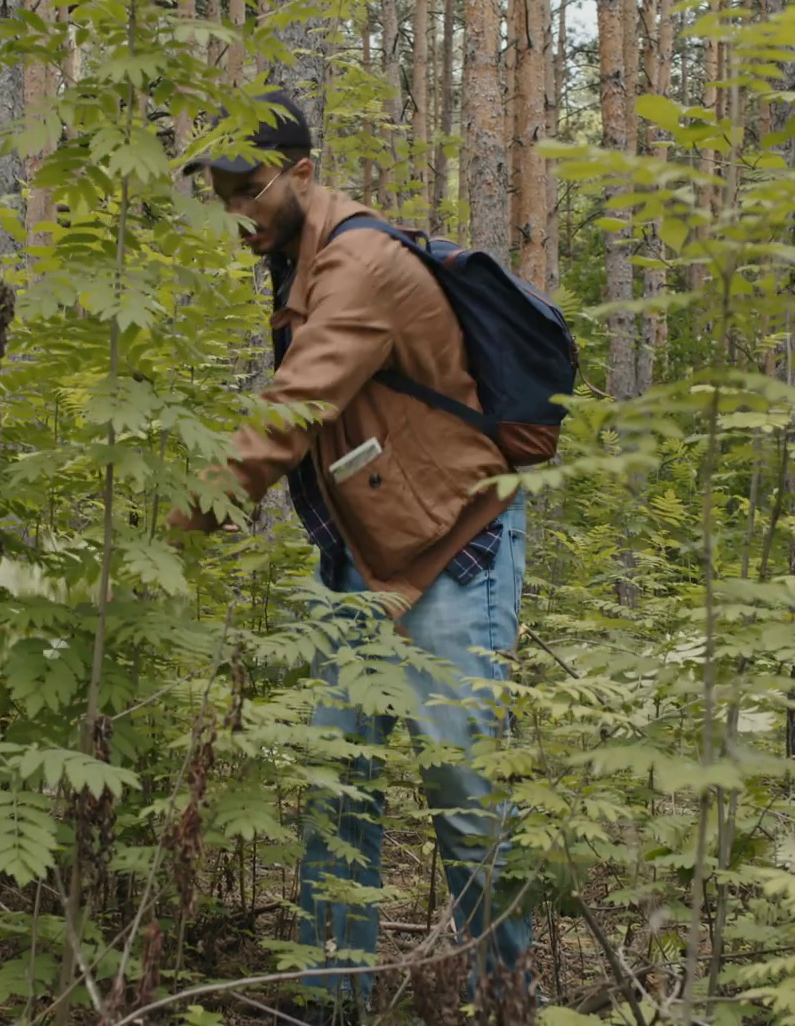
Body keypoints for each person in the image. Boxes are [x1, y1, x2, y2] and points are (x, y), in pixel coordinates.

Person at [169, 90, 532, 1024]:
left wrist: (177, 523)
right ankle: (333, 1004)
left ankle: (505, 1001)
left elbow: (291, 410)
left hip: (454, 547)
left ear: (301, 173)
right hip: (363, 559)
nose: (235, 212)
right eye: (221, 195)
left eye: (249, 189)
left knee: (465, 792)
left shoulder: (359, 263)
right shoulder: (297, 258)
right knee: (338, 787)